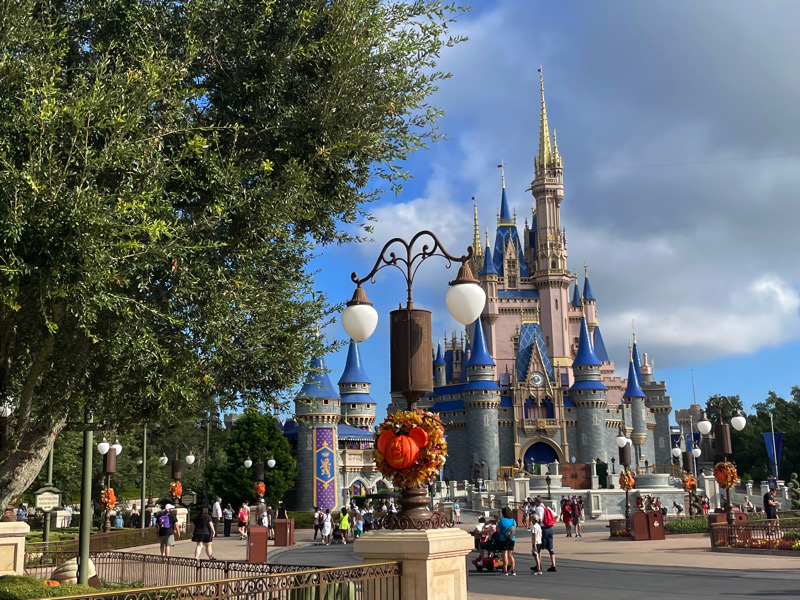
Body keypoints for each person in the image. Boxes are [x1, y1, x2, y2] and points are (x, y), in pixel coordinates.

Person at [534, 498, 557, 572]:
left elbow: (540, 519)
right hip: (550, 528)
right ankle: (553, 565)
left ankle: (539, 565)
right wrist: (552, 523)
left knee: (539, 547)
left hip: (543, 529)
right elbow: (556, 516)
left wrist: (535, 522)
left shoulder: (538, 508)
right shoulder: (547, 508)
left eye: (535, 502)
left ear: (538, 502)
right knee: (550, 548)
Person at [498, 507, 517, 576]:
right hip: (512, 539)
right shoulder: (513, 521)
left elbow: (498, 530)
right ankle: (513, 570)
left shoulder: (502, 520)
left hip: (503, 539)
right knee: (510, 555)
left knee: (504, 555)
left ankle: (505, 570)